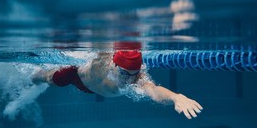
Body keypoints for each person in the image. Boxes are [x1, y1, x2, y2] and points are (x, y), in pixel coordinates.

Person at [32, 43, 203, 119]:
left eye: (133, 73)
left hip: (92, 89)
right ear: (114, 64)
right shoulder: (102, 61)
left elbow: (154, 92)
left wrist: (176, 97)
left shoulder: (137, 78)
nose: (129, 78)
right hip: (77, 76)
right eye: (124, 73)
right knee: (45, 78)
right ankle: (26, 77)